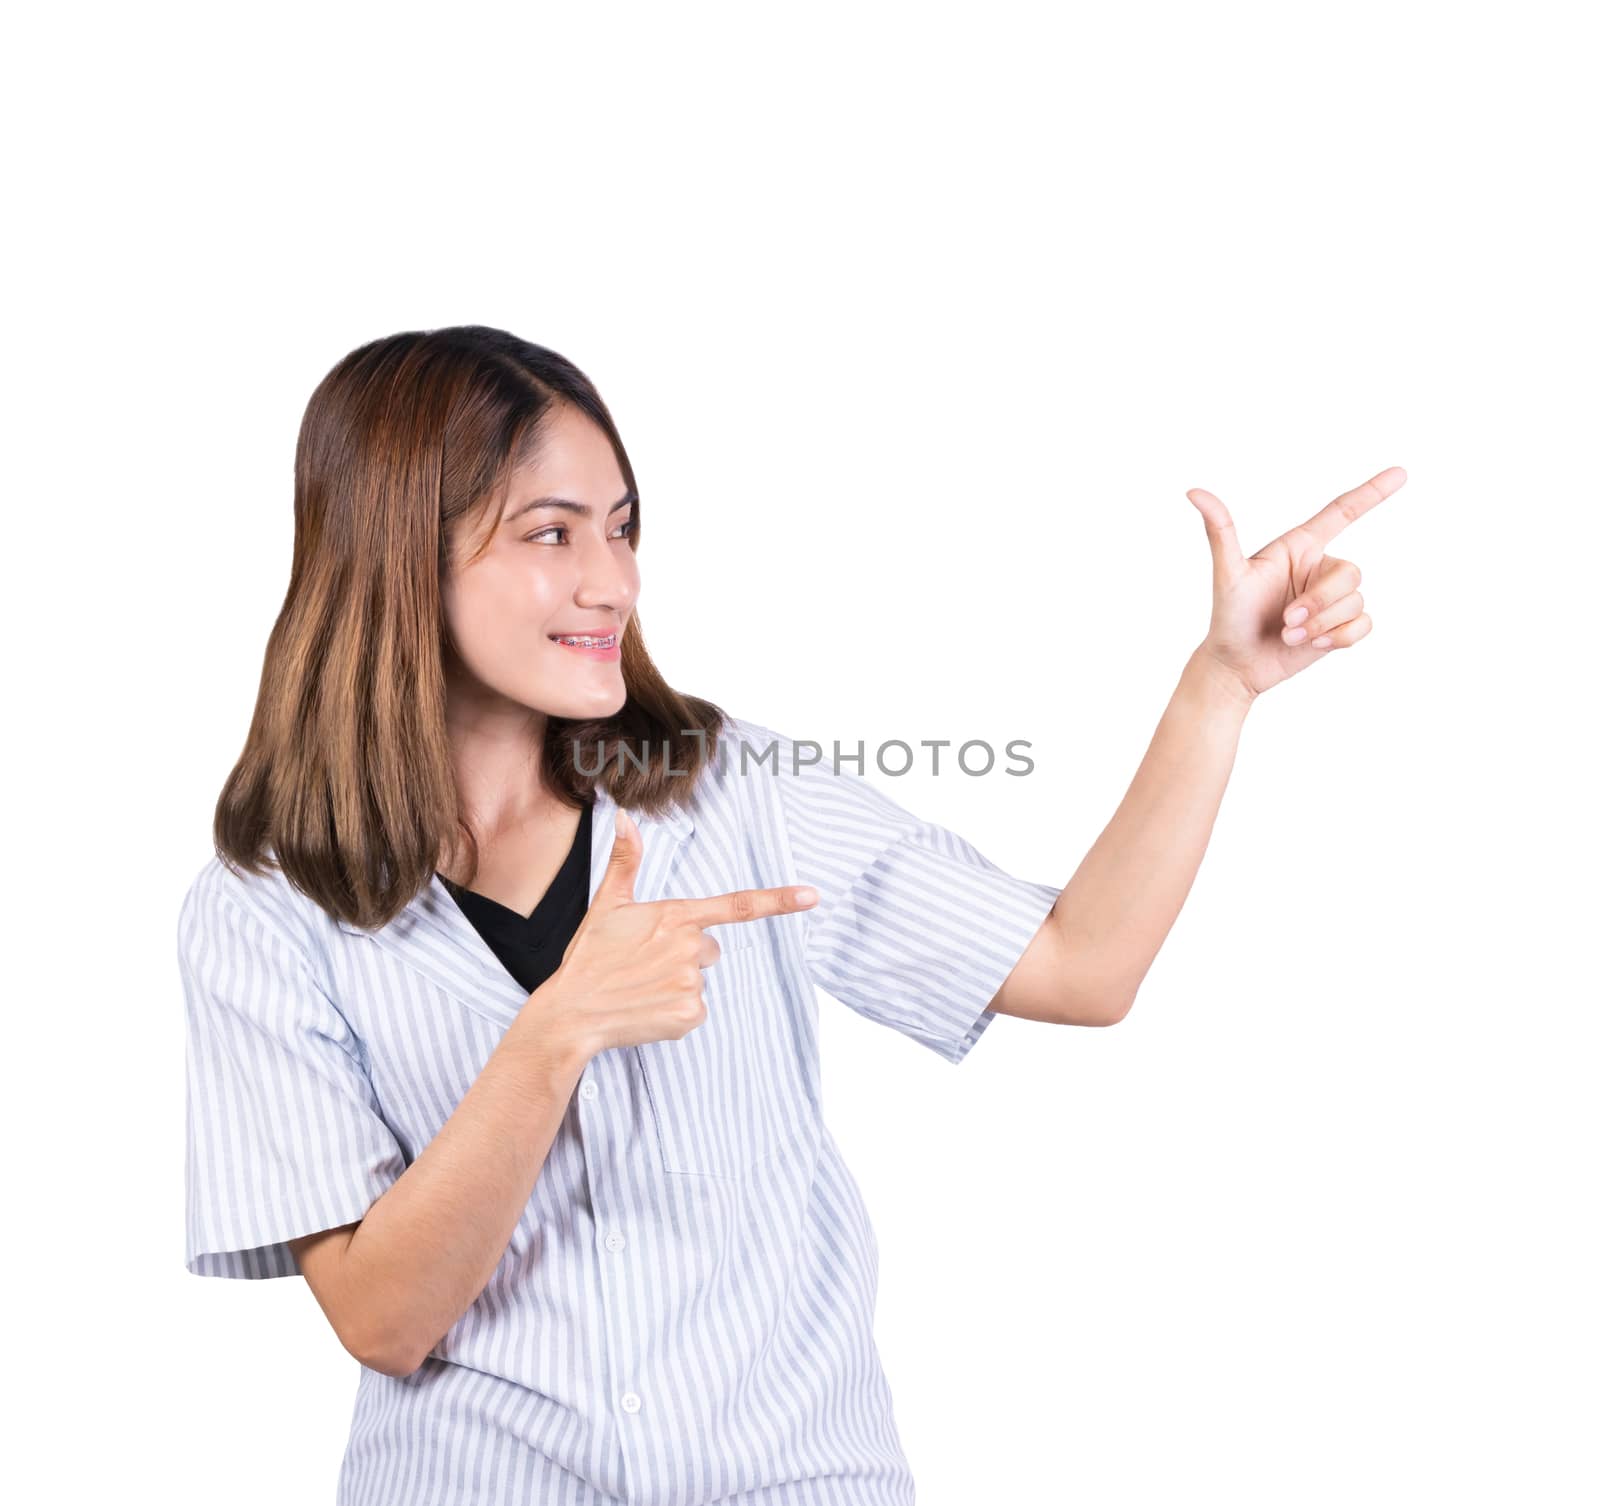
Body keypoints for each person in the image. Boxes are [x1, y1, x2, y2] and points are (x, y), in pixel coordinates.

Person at [178, 324, 1402, 1506]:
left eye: (622, 527)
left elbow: (1082, 968)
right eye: (551, 533)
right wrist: (555, 1036)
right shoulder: (265, 909)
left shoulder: (730, 789)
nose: (611, 580)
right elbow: (384, 1321)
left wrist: (1221, 686)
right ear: (397, 555)